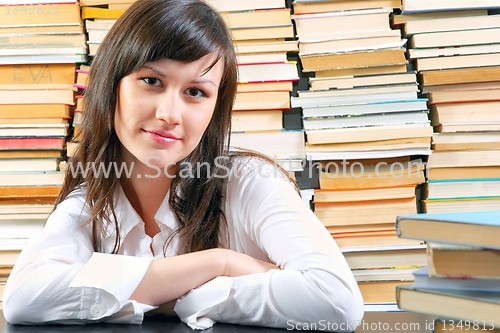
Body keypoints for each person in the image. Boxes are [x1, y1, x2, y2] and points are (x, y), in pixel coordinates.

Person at [3, 0, 364, 330]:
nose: (169, 115)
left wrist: (161, 294)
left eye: (195, 92)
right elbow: (23, 298)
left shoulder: (251, 182)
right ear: (111, 85)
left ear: (215, 107)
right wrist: (218, 264)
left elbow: (337, 302)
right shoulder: (92, 197)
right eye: (151, 81)